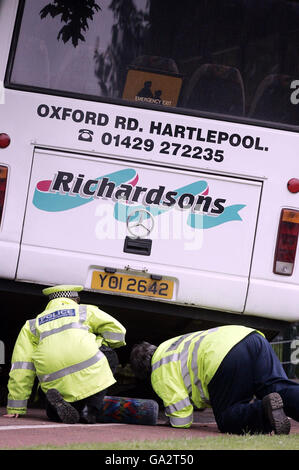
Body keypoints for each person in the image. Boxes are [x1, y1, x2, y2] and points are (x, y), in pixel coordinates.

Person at [130, 325, 299, 435]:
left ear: (144, 372)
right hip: (251, 336)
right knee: (276, 387)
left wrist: (169, 421)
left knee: (228, 418)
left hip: (223, 355)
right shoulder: (171, 345)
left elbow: (182, 419)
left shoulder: (158, 369)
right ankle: (279, 403)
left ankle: (264, 410)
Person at [4, 284, 126, 424]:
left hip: (53, 378)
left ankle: (56, 410)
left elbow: (22, 367)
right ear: (75, 299)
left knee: (54, 407)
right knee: (109, 354)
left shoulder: (31, 324)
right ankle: (90, 409)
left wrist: (15, 407)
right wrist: (98, 342)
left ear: (51, 302)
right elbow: (118, 332)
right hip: (88, 366)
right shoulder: (84, 310)